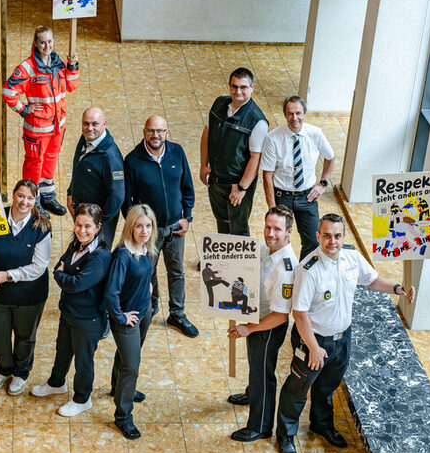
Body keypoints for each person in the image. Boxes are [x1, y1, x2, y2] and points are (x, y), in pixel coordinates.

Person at [275, 214, 415, 453]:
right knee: (297, 388)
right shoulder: (308, 269)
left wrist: (396, 288)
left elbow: (372, 280)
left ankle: (321, 424)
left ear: (343, 237)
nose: (332, 241)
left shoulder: (352, 257)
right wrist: (314, 347)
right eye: (326, 235)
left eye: (337, 236)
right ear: (318, 236)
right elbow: (299, 313)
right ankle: (285, 434)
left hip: (342, 339)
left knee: (327, 386)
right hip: (313, 341)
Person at [31, 203, 111, 417]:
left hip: (88, 319)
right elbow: (61, 262)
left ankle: (82, 399)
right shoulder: (76, 244)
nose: (81, 230)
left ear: (98, 228)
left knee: (84, 361)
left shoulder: (100, 256)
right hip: (69, 312)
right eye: (78, 224)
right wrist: (66, 273)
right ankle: (56, 383)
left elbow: (75, 284)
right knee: (63, 350)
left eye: (87, 226)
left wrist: (60, 275)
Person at [0, 179, 52, 395]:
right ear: (14, 194)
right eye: (20, 195)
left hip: (29, 296)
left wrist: (6, 276)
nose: (24, 202)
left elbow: (39, 266)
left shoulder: (41, 226)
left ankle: (20, 373)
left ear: (35, 201)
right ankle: (4, 368)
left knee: (25, 337)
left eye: (30, 198)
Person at [123, 114, 198, 337]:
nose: (156, 135)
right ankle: (151, 304)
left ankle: (177, 313)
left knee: (177, 271)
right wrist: (138, 228)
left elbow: (188, 187)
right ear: (144, 132)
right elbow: (127, 201)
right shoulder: (132, 160)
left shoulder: (177, 152)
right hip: (150, 230)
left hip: (176, 227)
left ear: (167, 132)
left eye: (160, 131)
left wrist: (188, 217)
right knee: (149, 269)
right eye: (151, 131)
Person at [227, 206, 297, 439]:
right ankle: (252, 393)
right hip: (254, 317)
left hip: (267, 327)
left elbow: (281, 315)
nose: (270, 233)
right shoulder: (266, 247)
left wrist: (250, 329)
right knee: (255, 368)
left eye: (277, 229)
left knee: (263, 375)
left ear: (289, 232)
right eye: (268, 227)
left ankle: (260, 426)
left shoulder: (286, 267)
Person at [2, 25, 79, 216]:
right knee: (34, 163)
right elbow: (8, 92)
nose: (47, 46)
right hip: (37, 129)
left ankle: (48, 196)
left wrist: (72, 66)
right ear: (36, 43)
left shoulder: (59, 62)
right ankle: (33, 202)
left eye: (50, 41)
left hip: (57, 127)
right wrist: (24, 109)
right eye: (43, 42)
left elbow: (71, 86)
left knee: (51, 160)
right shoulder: (27, 68)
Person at [104, 204, 157, 439]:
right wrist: (120, 317)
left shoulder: (147, 249)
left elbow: (146, 275)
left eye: (148, 226)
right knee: (132, 365)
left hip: (143, 311)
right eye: (139, 226)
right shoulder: (123, 255)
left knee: (127, 357)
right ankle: (123, 416)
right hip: (127, 318)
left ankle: (118, 387)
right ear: (130, 227)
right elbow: (111, 292)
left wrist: (149, 291)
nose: (144, 230)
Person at [261, 96, 335, 260]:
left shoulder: (315, 134)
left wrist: (323, 183)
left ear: (305, 114)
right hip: (282, 196)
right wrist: (272, 208)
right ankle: (280, 275)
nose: (294, 118)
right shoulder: (272, 138)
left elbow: (330, 157)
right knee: (277, 239)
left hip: (307, 196)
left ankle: (303, 275)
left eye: (298, 113)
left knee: (313, 242)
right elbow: (267, 175)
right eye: (290, 114)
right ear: (285, 115)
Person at [199, 67, 268, 236]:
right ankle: (221, 263)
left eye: (243, 87)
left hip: (236, 184)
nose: (238, 91)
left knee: (238, 228)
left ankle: (240, 264)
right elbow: (207, 133)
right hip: (216, 180)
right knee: (221, 222)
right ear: (229, 86)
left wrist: (242, 188)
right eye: (234, 86)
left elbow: (255, 159)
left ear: (252, 88)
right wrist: (203, 164)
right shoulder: (219, 103)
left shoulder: (257, 121)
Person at [68, 107, 125, 247]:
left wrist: (99, 223)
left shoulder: (110, 156)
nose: (89, 128)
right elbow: (78, 168)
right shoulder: (85, 139)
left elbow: (117, 195)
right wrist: (70, 193)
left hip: (99, 223)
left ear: (104, 124)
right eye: (86, 123)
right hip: (83, 216)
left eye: (95, 124)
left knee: (96, 257)